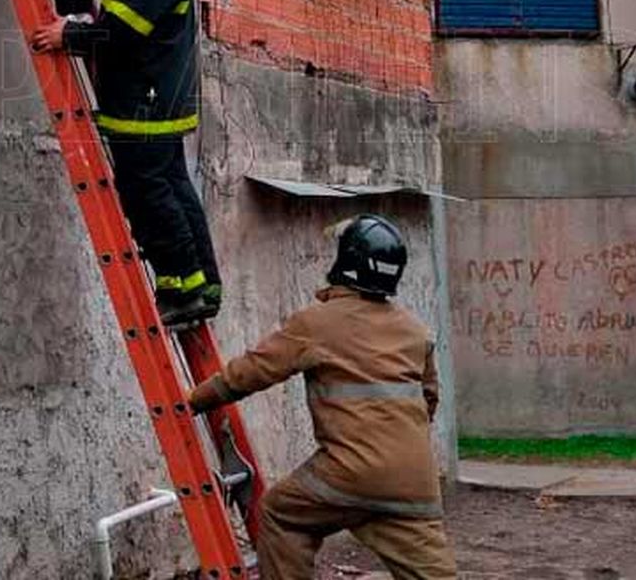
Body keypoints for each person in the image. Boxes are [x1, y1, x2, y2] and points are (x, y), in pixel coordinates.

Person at [188, 215, 458, 580]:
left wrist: (191, 401)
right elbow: (428, 401)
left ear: (345, 261)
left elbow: (251, 372)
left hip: (348, 473)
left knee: (280, 514)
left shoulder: (317, 323)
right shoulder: (415, 330)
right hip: (414, 482)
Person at [31, 0, 220, 326]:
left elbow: (122, 31)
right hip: (153, 97)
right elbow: (129, 5)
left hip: (145, 101)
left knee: (149, 192)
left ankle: (184, 286)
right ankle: (200, 285)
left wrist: (68, 34)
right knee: (172, 186)